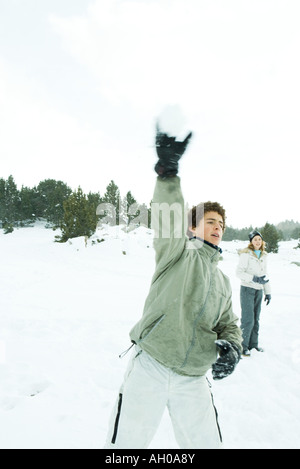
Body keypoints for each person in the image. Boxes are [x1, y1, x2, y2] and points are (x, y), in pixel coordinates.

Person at [104, 125, 242, 449]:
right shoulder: (177, 249)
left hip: (194, 378)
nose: (218, 228)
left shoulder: (222, 281)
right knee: (125, 446)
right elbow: (169, 217)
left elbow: (229, 325)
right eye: (210, 221)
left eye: (221, 224)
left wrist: (233, 348)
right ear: (193, 226)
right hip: (150, 364)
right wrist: (168, 174)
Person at [236, 230, 272, 356]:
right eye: (255, 239)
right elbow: (239, 273)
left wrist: (268, 292)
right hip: (247, 289)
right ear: (251, 241)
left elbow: (264, 275)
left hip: (259, 290)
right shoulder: (246, 254)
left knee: (256, 319)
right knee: (248, 319)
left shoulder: (263, 255)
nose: (258, 241)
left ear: (262, 241)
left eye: (259, 239)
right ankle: (242, 346)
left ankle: (253, 345)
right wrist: (254, 278)